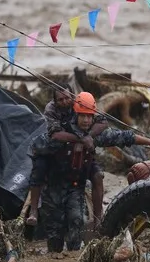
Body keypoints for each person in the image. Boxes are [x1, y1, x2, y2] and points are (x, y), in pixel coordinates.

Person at [35, 92, 150, 257]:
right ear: (76, 114)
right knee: (54, 236)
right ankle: (54, 257)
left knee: (76, 222)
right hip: (53, 189)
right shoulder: (60, 131)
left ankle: (75, 255)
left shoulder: (94, 134)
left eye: (89, 116)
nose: (86, 121)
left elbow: (124, 137)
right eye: (83, 116)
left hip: (75, 187)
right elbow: (37, 150)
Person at [27, 84, 108, 226]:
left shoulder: (80, 103)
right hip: (51, 148)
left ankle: (98, 218)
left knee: (97, 175)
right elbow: (56, 134)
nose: (64, 102)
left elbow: (102, 121)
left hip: (76, 148)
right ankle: (33, 210)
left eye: (67, 98)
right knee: (39, 168)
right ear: (55, 101)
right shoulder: (50, 110)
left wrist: (87, 136)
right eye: (60, 99)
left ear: (73, 97)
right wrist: (81, 138)